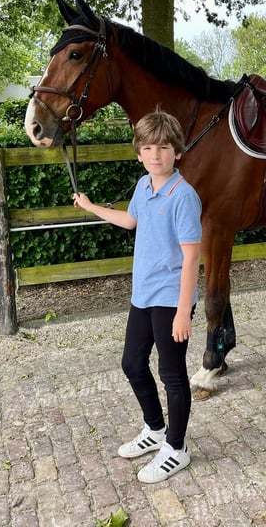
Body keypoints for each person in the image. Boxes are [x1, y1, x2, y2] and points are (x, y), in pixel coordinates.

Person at [73, 109, 202, 483]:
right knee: (132, 364)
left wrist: (183, 311)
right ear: (139, 153)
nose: (155, 155)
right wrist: (91, 206)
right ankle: (156, 429)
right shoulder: (144, 186)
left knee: (171, 374)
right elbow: (131, 221)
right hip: (143, 294)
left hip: (171, 298)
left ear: (177, 152)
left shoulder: (183, 196)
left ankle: (176, 448)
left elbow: (192, 257)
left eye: (163, 147)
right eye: (147, 148)